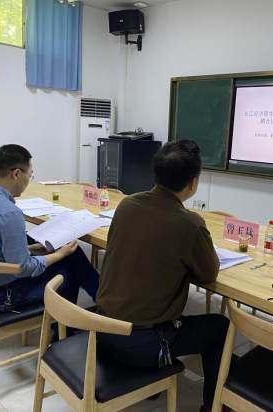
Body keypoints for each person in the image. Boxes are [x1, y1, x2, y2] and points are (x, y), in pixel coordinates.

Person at [95, 140, 228, 412]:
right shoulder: (190, 224)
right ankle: (212, 407)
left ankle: (153, 384)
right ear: (193, 182)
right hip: (142, 344)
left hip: (102, 328)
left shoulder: (127, 204)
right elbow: (208, 273)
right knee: (221, 329)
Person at [0, 144, 99, 329]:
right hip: (3, 294)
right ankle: (64, 334)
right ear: (16, 174)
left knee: (72, 255)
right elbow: (22, 268)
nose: (29, 180)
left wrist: (31, 249)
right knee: (67, 274)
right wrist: (59, 254)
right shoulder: (8, 212)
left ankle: (103, 301)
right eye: (30, 175)